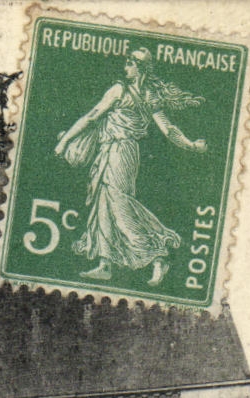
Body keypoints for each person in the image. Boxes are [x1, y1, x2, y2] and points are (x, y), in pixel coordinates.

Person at [54, 47, 207, 286]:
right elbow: (169, 130)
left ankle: (157, 256)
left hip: (121, 152)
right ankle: (105, 264)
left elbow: (92, 116)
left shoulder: (122, 91)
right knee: (104, 202)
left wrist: (64, 141)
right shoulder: (146, 96)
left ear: (139, 67)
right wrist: (191, 145)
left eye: (129, 63)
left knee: (119, 203)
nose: (125, 67)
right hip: (112, 151)